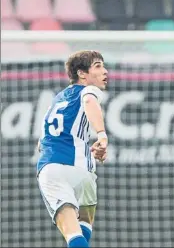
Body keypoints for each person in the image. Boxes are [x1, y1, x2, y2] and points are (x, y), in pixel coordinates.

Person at [36, 51, 109, 248]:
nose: (105, 71)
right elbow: (89, 100)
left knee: (72, 235)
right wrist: (101, 134)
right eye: (98, 66)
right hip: (83, 173)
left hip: (54, 169)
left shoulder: (57, 100)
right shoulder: (88, 90)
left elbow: (41, 142)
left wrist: (101, 135)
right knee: (83, 229)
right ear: (82, 74)